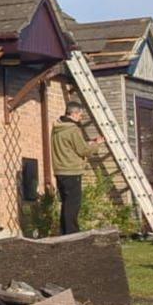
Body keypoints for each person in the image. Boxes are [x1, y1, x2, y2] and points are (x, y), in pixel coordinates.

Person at [50, 100, 103, 235]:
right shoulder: (73, 129)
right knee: (73, 205)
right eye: (80, 115)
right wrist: (97, 144)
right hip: (72, 171)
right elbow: (83, 151)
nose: (81, 118)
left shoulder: (57, 127)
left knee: (66, 204)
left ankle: (64, 233)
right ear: (74, 113)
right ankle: (72, 235)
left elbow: (70, 146)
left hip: (60, 170)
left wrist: (87, 143)